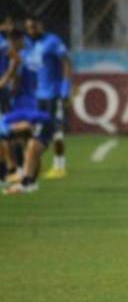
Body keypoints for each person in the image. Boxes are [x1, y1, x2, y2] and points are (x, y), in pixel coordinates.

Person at [1, 28, 55, 195]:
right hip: (37, 105)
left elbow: (13, 84)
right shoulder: (34, 52)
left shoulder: (23, 58)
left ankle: (14, 173)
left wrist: (11, 70)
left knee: (25, 141)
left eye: (11, 43)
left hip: (30, 108)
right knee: (33, 145)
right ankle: (27, 181)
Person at [25, 16, 72, 179]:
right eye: (28, 28)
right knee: (40, 131)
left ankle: (60, 166)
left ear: (41, 26)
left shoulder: (52, 41)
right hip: (39, 96)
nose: (31, 31)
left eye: (33, 27)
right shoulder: (32, 45)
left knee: (56, 128)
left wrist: (66, 88)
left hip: (54, 93)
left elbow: (66, 62)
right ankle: (34, 165)